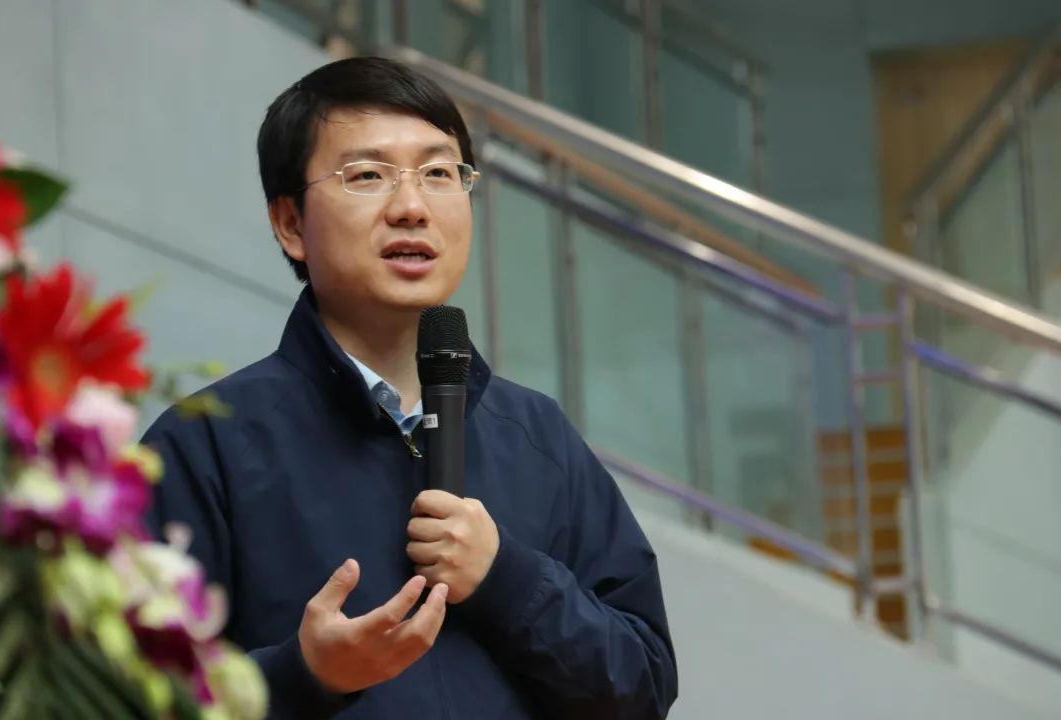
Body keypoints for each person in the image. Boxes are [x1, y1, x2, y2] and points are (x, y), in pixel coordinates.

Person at [143, 56, 677, 719]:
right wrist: (304, 675)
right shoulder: (206, 443)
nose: (412, 207)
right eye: (367, 176)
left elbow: (642, 686)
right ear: (290, 224)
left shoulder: (539, 438)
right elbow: (119, 694)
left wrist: (507, 578)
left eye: (439, 173)